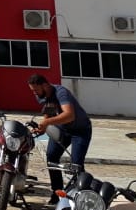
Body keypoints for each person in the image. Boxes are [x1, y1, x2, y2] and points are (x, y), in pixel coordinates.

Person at [29, 73, 93, 202]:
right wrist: (43, 128)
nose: (34, 93)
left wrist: (47, 123)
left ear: (45, 85)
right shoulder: (42, 96)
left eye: (36, 90)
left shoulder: (61, 92)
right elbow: (49, 110)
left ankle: (82, 196)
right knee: (52, 157)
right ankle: (57, 193)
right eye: (32, 91)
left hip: (80, 131)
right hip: (63, 129)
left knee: (76, 165)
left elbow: (69, 115)